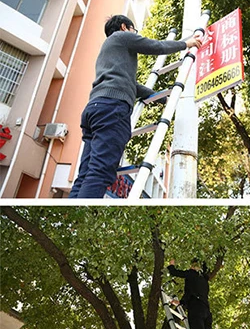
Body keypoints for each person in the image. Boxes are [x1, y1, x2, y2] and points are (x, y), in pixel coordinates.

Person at [68, 15, 202, 199]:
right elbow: (156, 46)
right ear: (125, 27)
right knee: (100, 172)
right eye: (134, 30)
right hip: (112, 109)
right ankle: (82, 220)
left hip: (95, 109)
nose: (134, 34)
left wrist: (164, 99)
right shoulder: (121, 37)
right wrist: (187, 43)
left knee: (85, 175)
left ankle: (75, 214)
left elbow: (133, 86)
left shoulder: (107, 52)